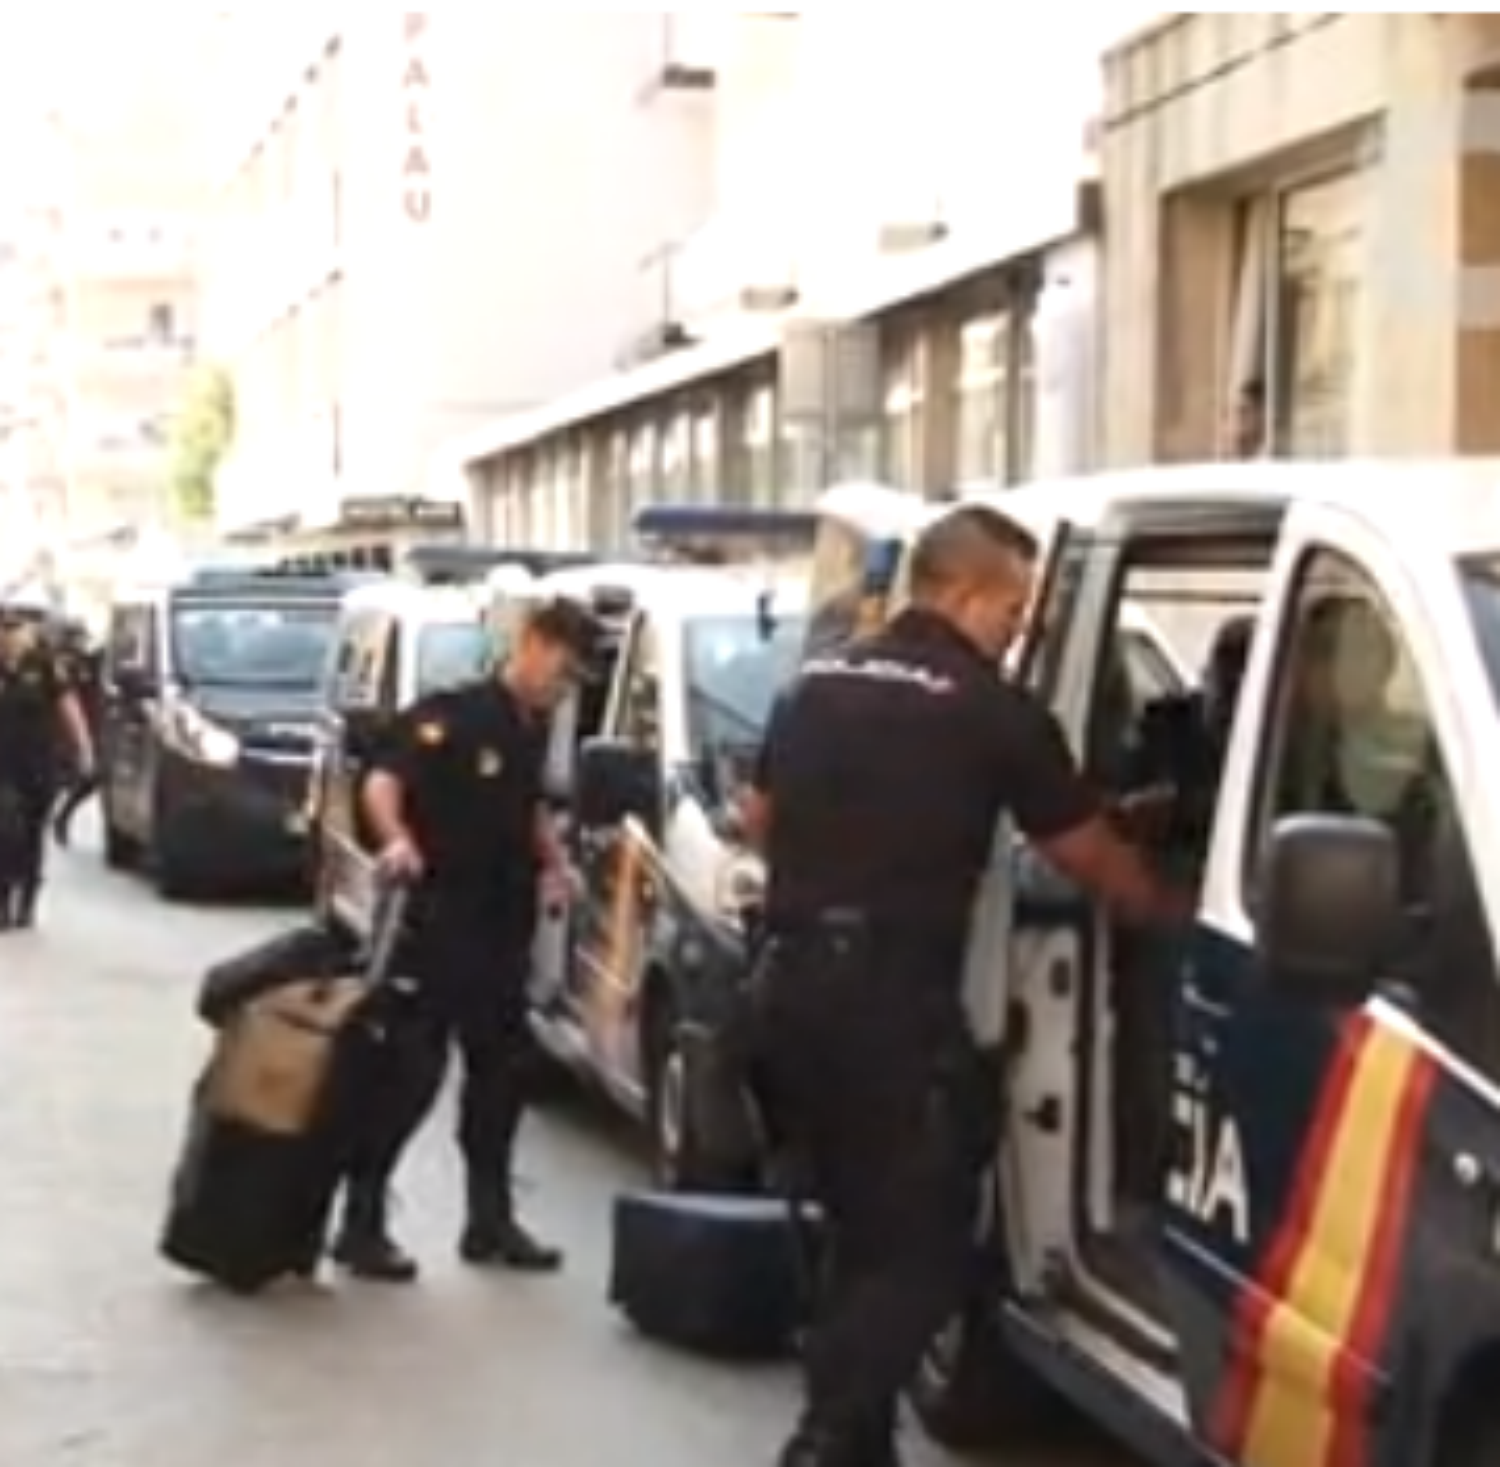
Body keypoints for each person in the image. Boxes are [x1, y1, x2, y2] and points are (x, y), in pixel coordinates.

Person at [742, 505, 1191, 1467]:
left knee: (856, 1228)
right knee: (930, 1243)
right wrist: (1170, 915)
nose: (1019, 628)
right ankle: (825, 1439)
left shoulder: (817, 681)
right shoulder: (991, 708)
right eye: (1014, 607)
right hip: (892, 1012)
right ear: (963, 591)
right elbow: (1084, 857)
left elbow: (758, 815)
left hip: (788, 994)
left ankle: (857, 1439)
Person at [332, 597, 597, 1282]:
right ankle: (360, 1222)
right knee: (410, 1075)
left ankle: (490, 1219)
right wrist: (398, 841)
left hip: (501, 927)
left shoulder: (528, 727)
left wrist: (555, 864)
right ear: (531, 643)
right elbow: (383, 781)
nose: (562, 688)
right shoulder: (451, 713)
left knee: (499, 1076)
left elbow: (527, 803)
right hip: (439, 921)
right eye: (562, 671)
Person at [0, 603, 95, 929]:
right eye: (5, 631)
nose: (11, 637)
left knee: (31, 834)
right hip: (3, 767)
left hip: (39, 765)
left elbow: (69, 707)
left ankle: (27, 899)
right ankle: (3, 898)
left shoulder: (44, 667)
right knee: (6, 828)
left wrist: (84, 749)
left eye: (16, 630)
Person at [50, 621, 104, 848]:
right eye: (77, 638)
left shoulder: (87, 662)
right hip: (63, 732)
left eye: (82, 638)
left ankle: (61, 818)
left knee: (89, 779)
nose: (80, 642)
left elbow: (102, 657)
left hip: (89, 728)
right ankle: (53, 817)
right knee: (64, 778)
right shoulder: (58, 664)